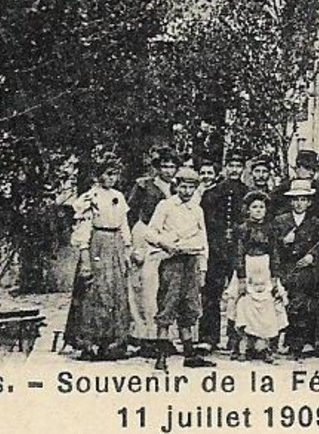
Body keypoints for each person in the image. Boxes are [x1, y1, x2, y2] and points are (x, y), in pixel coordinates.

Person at [64, 159, 132, 361]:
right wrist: (85, 259)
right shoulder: (90, 197)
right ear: (99, 175)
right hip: (97, 244)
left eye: (115, 174)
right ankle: (89, 343)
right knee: (95, 293)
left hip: (115, 245)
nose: (112, 178)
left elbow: (124, 225)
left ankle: (111, 343)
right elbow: (83, 229)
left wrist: (126, 250)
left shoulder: (118, 196)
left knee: (115, 293)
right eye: (108, 174)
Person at [146, 166, 214, 370]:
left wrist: (202, 269)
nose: (186, 192)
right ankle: (161, 355)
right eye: (183, 187)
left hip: (191, 261)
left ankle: (190, 354)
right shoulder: (166, 206)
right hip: (172, 262)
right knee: (168, 304)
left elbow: (203, 240)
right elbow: (150, 233)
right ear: (177, 186)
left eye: (191, 188)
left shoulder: (197, 209)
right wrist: (164, 243)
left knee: (190, 306)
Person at [126, 150, 176, 355]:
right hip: (144, 233)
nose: (168, 170)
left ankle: (162, 336)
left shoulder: (179, 187)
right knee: (142, 285)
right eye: (165, 166)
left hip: (167, 238)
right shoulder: (143, 185)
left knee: (164, 287)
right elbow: (129, 214)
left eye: (172, 166)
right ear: (157, 167)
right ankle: (141, 335)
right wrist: (132, 245)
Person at [274, 178, 319, 357]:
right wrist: (284, 242)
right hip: (287, 267)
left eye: (303, 199)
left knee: (305, 304)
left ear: (309, 202)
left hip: (306, 269)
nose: (299, 203)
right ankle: (282, 341)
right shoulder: (281, 220)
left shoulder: (315, 222)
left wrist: (311, 257)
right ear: (290, 201)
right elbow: (273, 246)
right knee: (286, 302)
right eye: (296, 199)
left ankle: (301, 343)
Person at [200, 152, 247, 351]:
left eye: (239, 165)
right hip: (217, 250)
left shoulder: (247, 192)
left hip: (238, 251)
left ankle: (236, 338)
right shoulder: (213, 193)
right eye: (232, 165)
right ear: (226, 167)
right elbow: (205, 223)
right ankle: (209, 338)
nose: (235, 169)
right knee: (212, 294)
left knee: (239, 293)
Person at [231, 190, 285, 362]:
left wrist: (275, 277)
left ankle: (264, 346)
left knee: (267, 305)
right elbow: (238, 253)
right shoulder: (242, 229)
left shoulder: (271, 229)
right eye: (254, 207)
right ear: (248, 209)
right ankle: (242, 346)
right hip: (248, 267)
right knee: (243, 303)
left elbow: (275, 253)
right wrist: (241, 278)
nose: (258, 210)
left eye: (261, 207)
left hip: (265, 267)